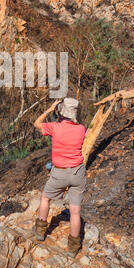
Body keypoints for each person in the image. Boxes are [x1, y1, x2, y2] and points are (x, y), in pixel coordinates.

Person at [33, 97, 86, 258]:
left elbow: (36, 123)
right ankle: (73, 247)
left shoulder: (55, 127)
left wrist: (49, 110)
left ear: (61, 111)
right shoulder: (81, 129)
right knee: (75, 211)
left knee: (45, 198)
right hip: (77, 172)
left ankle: (40, 231)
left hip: (59, 172)